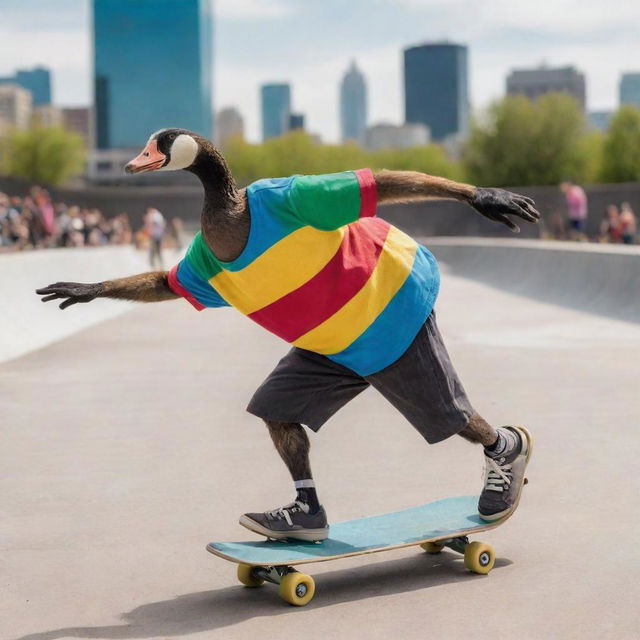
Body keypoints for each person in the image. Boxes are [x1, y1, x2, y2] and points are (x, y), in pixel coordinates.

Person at [36, 128, 539, 542]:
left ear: (192, 155)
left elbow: (380, 184)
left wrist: (471, 194)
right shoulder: (208, 258)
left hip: (390, 305)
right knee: (277, 408)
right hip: (333, 343)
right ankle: (308, 509)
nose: (148, 157)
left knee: (451, 418)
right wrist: (98, 288)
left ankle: (504, 447)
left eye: (158, 150)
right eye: (149, 150)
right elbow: (163, 283)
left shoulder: (287, 200)